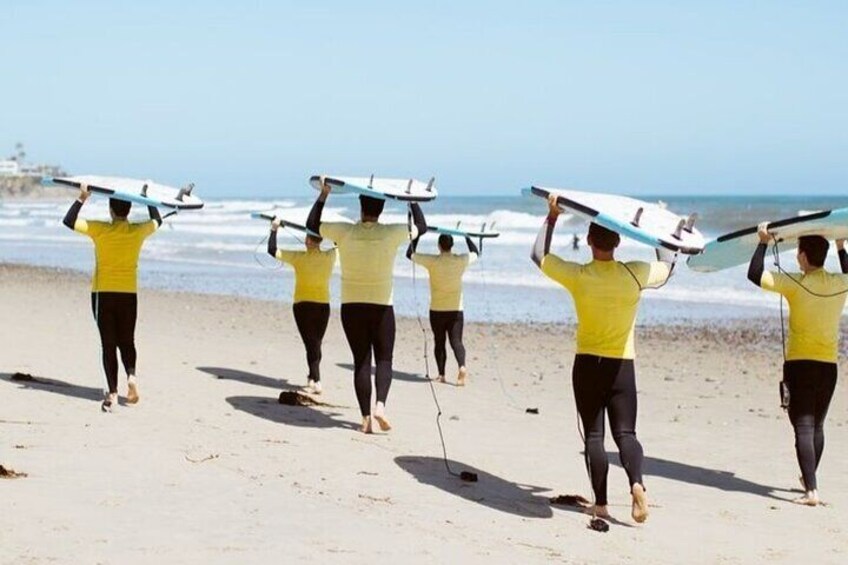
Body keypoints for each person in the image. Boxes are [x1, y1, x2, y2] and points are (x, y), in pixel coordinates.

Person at [531, 194, 675, 524]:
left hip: (587, 365)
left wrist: (552, 216)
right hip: (621, 365)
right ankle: (637, 484)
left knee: (594, 436)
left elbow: (538, 255)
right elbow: (667, 267)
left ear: (588, 240)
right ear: (620, 241)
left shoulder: (580, 275)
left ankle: (601, 504)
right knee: (626, 434)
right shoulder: (635, 273)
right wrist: (659, 229)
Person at [306, 177, 427, 434]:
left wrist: (324, 194)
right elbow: (421, 227)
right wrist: (412, 200)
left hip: (352, 307)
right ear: (381, 210)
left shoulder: (345, 231)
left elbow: (312, 225)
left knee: (361, 361)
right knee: (384, 359)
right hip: (382, 306)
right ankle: (380, 406)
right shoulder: (391, 233)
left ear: (361, 207)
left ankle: (364, 418)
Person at [747, 225, 848, 506]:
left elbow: (755, 274)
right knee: (816, 425)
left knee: (802, 427)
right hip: (829, 366)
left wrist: (763, 242)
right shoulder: (840, 284)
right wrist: (842, 247)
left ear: (803, 257)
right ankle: (809, 478)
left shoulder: (795, 283)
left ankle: (812, 492)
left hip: (800, 365)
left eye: (798, 254)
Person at [62, 185, 162, 412]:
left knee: (108, 343)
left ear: (110, 210)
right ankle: (132, 377)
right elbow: (158, 221)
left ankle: (114, 394)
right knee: (127, 340)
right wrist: (147, 201)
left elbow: (69, 221)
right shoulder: (138, 231)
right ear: (128, 210)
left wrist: (82, 197)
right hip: (129, 294)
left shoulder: (99, 230)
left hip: (103, 293)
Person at [267, 219, 337, 395]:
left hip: (302, 306)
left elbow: (272, 250)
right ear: (320, 240)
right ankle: (313, 378)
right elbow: (340, 241)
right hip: (323, 306)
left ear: (307, 240)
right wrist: (326, 231)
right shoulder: (330, 256)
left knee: (311, 343)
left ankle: (316, 379)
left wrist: (274, 229)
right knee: (315, 343)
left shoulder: (298, 258)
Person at [406, 233, 479, 385]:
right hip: (456, 310)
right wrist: (467, 237)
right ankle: (462, 366)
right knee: (456, 341)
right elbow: (476, 253)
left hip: (437, 310)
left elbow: (409, 254)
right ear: (451, 246)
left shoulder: (432, 261)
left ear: (439, 246)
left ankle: (441, 375)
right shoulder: (460, 260)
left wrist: (417, 235)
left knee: (439, 342)